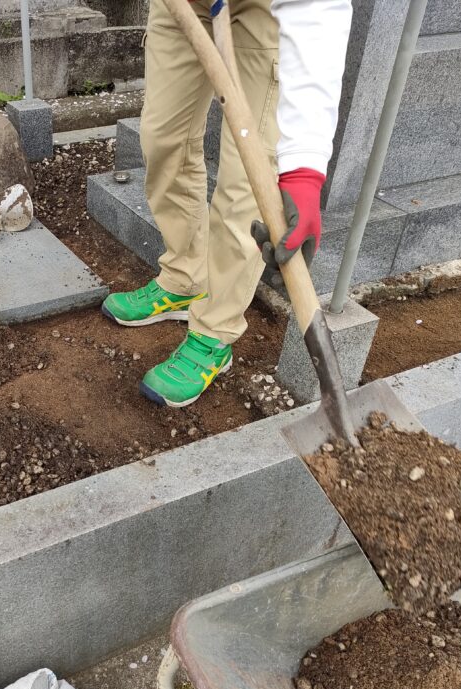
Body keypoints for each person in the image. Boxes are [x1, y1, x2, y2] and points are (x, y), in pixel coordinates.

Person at [101, 0, 352, 407]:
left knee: (246, 181)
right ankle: (184, 278)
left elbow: (318, 13)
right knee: (163, 140)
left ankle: (214, 334)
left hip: (265, 8)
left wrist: (305, 171)